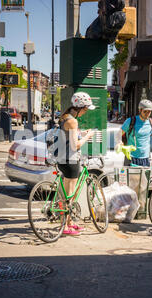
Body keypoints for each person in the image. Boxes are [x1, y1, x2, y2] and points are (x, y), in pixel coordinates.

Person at [57, 92, 96, 236]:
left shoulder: (67, 117)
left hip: (63, 159)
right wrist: (88, 137)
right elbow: (75, 145)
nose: (85, 112)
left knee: (68, 194)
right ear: (79, 107)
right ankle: (65, 226)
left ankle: (70, 222)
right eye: (85, 109)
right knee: (69, 195)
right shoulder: (73, 121)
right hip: (70, 160)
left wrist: (82, 133)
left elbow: (70, 136)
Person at [119, 99, 152, 167]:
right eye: (145, 111)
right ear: (140, 110)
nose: (147, 114)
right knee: (131, 178)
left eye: (149, 112)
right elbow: (118, 134)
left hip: (145, 158)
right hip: (131, 157)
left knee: (145, 178)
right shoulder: (130, 121)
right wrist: (120, 143)